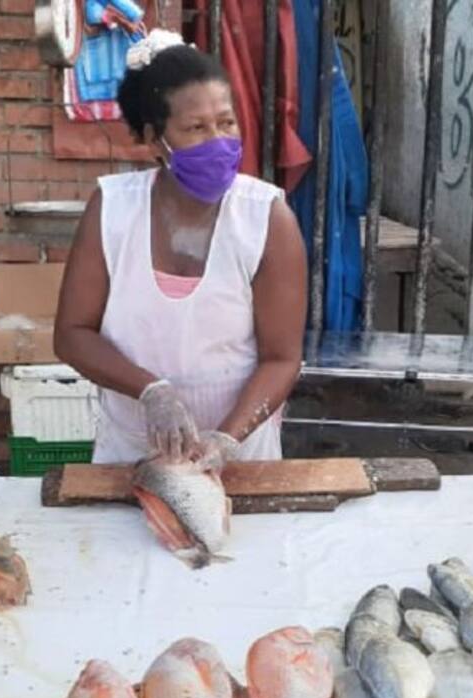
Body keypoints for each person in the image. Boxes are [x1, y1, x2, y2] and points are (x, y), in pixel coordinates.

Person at [53, 29, 308, 468]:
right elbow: (72, 335)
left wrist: (227, 441)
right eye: (195, 128)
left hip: (242, 455)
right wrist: (152, 392)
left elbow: (282, 358)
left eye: (226, 123)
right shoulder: (113, 209)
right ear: (154, 139)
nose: (219, 142)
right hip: (132, 451)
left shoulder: (266, 217)